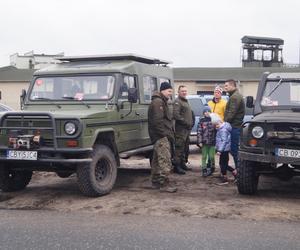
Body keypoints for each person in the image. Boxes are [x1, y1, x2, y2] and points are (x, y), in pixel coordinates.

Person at [148, 81, 177, 193]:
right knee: (164, 160)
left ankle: (155, 182)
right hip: (160, 136)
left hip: (158, 136)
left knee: (156, 160)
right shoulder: (158, 102)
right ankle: (164, 184)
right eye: (169, 91)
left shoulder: (160, 101)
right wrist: (163, 135)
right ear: (163, 90)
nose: (170, 94)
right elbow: (157, 121)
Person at [224, 79, 245, 168]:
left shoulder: (235, 97)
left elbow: (231, 113)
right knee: (234, 149)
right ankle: (239, 169)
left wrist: (224, 123)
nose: (225, 88)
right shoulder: (234, 96)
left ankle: (239, 170)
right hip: (234, 126)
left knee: (234, 150)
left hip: (234, 127)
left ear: (233, 86)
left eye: (226, 86)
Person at [173, 85, 194, 174]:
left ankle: (182, 164)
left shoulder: (185, 101)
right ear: (178, 92)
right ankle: (176, 166)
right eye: (182, 91)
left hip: (187, 130)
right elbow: (176, 115)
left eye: (185, 91)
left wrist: (191, 123)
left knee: (185, 148)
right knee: (179, 148)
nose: (184, 92)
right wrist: (186, 122)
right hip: (180, 129)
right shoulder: (177, 102)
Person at [211, 113, 237, 184]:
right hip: (224, 149)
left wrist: (220, 150)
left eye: (217, 125)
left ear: (220, 122)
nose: (216, 127)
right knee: (222, 163)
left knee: (223, 164)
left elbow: (224, 141)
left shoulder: (223, 130)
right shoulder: (222, 128)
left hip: (224, 149)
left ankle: (228, 175)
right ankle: (228, 174)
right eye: (215, 125)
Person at [197, 106, 216, 177]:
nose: (207, 113)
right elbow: (199, 132)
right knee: (204, 156)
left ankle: (212, 168)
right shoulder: (201, 121)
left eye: (208, 111)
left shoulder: (213, 120)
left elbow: (216, 131)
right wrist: (200, 141)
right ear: (203, 113)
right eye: (205, 112)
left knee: (211, 156)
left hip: (212, 142)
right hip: (204, 142)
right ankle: (204, 169)